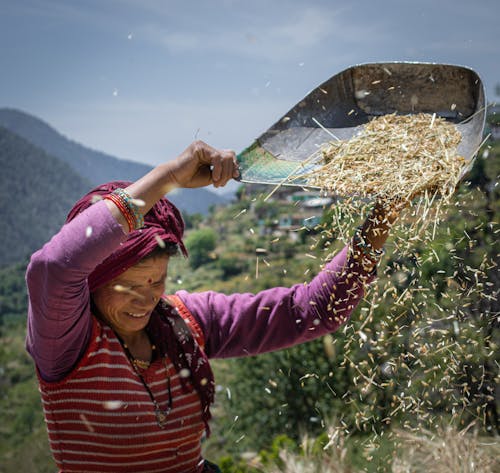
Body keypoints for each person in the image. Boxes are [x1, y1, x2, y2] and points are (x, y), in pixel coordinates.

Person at [26, 141, 402, 473]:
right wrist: (169, 175)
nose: (145, 300)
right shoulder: (66, 339)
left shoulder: (183, 322)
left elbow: (313, 310)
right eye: (128, 286)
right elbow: (54, 266)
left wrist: (383, 216)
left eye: (156, 282)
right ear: (94, 279)